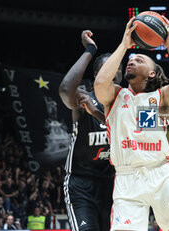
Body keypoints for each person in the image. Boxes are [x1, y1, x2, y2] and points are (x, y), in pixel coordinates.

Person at [94, 16, 169, 231]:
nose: (132, 61)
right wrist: (125, 45)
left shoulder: (162, 99)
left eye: (140, 60)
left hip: (160, 173)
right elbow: (100, 82)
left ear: (152, 73)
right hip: (128, 178)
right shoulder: (115, 95)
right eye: (131, 59)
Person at [59, 30, 122, 231]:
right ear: (97, 75)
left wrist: (95, 113)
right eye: (107, 68)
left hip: (112, 183)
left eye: (118, 68)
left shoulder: (127, 103)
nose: (114, 72)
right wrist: (90, 50)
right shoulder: (84, 97)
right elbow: (65, 89)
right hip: (81, 183)